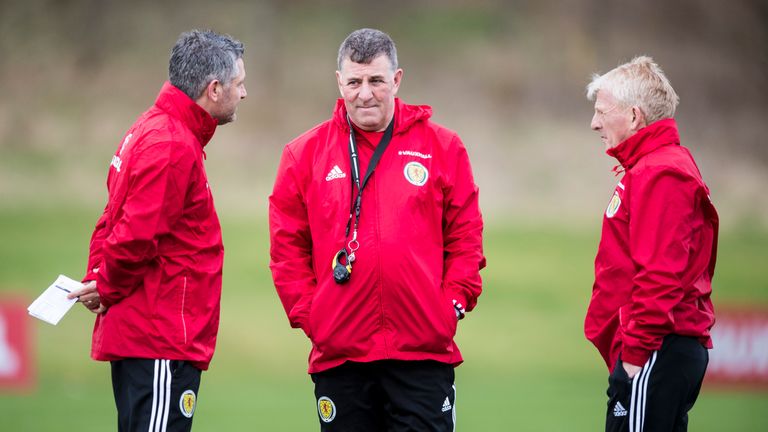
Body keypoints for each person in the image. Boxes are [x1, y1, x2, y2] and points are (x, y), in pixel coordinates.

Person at [269, 28, 485, 431]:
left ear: (397, 80)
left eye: (376, 81)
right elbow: (287, 251)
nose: (365, 94)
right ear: (339, 82)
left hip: (422, 352)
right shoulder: (303, 155)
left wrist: (451, 305)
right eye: (355, 82)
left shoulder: (443, 147)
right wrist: (315, 319)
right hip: (342, 356)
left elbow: (466, 237)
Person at [67, 29, 246, 432]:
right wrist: (105, 284)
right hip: (160, 337)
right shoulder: (172, 144)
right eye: (239, 83)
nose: (244, 93)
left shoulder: (152, 128)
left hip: (149, 336)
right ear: (214, 89)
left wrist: (99, 276)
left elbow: (111, 217)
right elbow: (135, 234)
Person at [584, 56, 718, 431]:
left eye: (601, 112)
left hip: (654, 350)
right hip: (654, 350)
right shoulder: (652, 167)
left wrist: (634, 356)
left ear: (633, 116)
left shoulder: (661, 172)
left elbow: (660, 273)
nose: (594, 123)